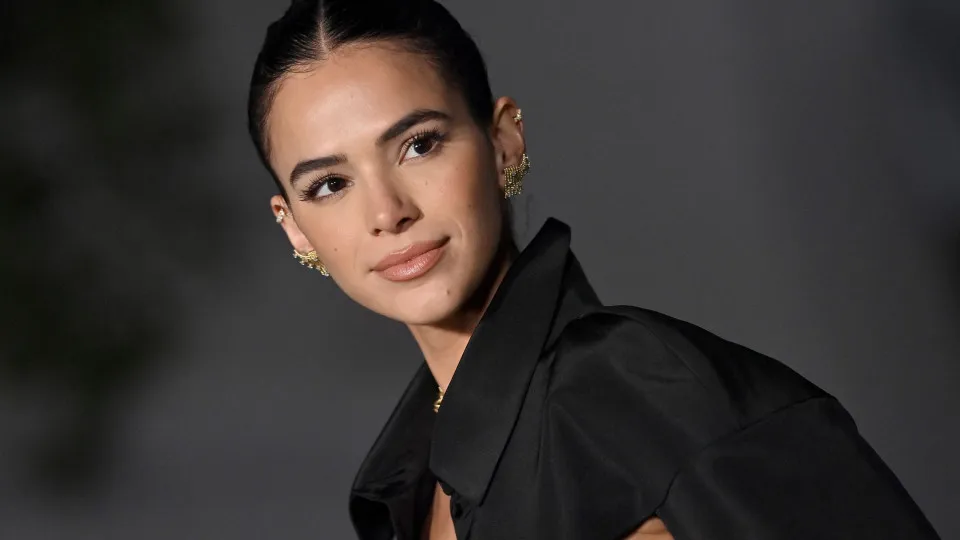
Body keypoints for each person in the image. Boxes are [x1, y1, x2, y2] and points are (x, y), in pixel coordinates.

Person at [246, 1, 941, 538]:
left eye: (419, 145)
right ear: (294, 226)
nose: (387, 212)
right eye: (330, 185)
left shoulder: (648, 391)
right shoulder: (408, 480)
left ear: (503, 142)